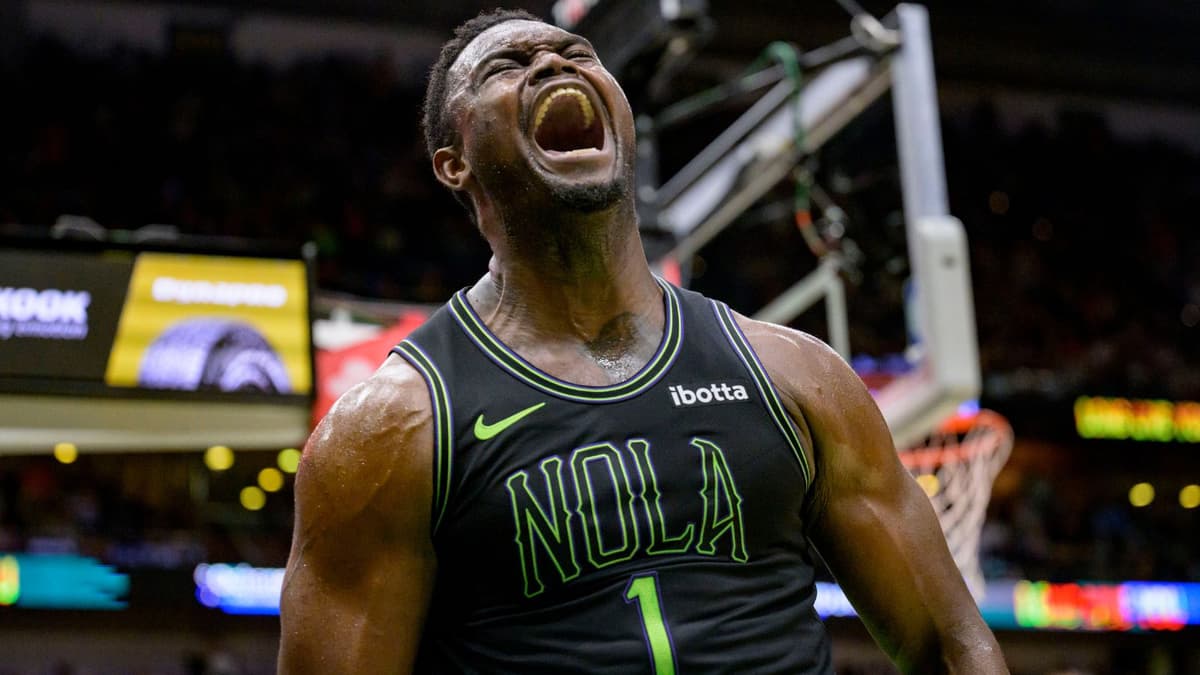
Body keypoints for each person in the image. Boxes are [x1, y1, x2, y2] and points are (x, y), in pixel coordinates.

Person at [278, 9, 1008, 674]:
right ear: (453, 163)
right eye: (507, 66)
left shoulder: (795, 374)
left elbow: (951, 644)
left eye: (576, 52)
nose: (553, 65)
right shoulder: (386, 431)